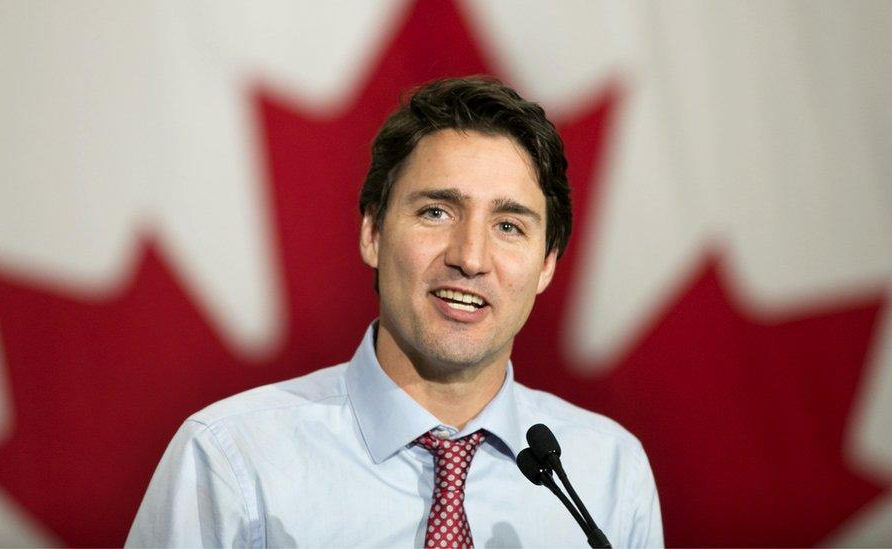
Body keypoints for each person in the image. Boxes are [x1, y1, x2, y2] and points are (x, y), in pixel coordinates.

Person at [126, 76, 662, 548]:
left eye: (508, 226)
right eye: (436, 211)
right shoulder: (232, 460)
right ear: (373, 233)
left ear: (546, 265)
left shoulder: (608, 473)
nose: (470, 258)